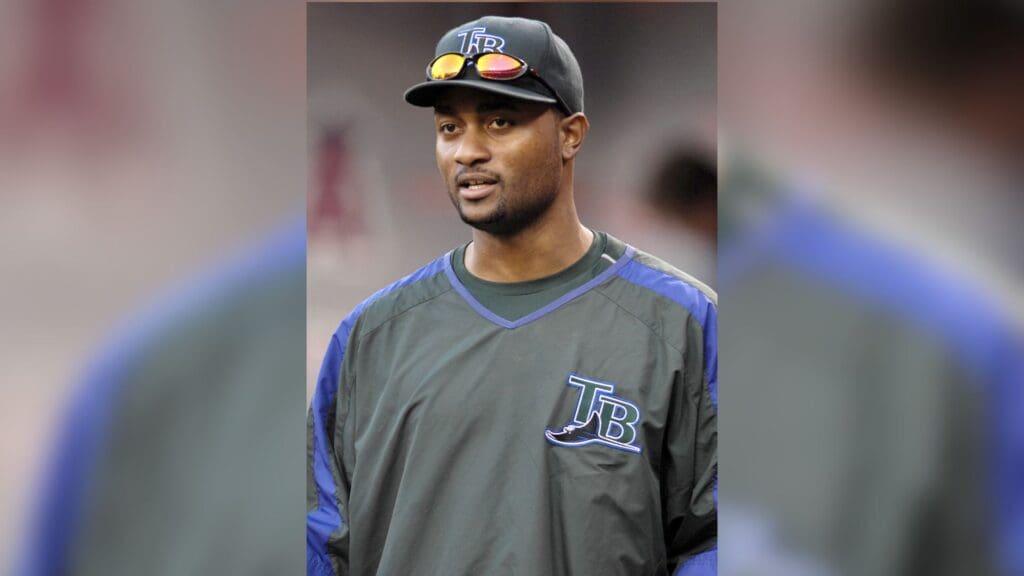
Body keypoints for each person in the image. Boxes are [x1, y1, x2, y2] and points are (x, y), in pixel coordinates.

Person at [307, 15, 717, 576]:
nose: (467, 151)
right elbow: (318, 540)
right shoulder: (371, 336)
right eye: (449, 127)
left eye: (500, 122)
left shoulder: (680, 322)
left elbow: (718, 538)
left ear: (571, 134)